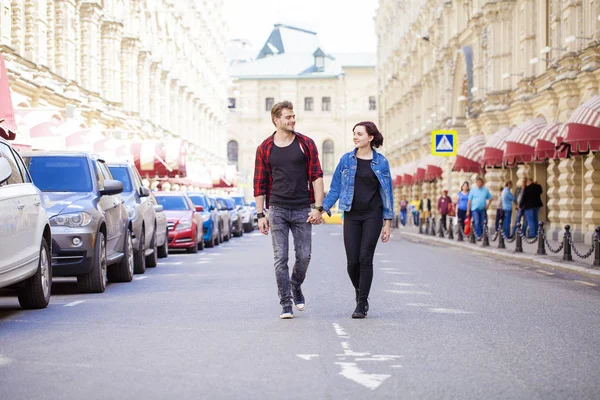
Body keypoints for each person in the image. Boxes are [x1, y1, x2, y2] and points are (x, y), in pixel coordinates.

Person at [253, 101, 325, 319]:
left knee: (304, 256)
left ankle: (295, 285)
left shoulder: (306, 144)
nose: (293, 120)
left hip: (303, 208)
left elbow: (316, 176)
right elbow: (259, 183)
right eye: (288, 117)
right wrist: (260, 215)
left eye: (293, 117)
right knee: (280, 258)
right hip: (277, 210)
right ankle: (286, 303)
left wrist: (318, 208)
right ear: (276, 120)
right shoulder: (265, 148)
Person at [322, 121, 393, 319]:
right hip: (351, 214)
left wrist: (387, 222)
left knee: (365, 258)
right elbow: (335, 187)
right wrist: (322, 208)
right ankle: (360, 292)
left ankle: (361, 303)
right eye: (354, 133)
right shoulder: (346, 160)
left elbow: (386, 192)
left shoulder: (381, 162)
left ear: (370, 137)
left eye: (360, 134)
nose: (355, 137)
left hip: (373, 214)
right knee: (352, 261)